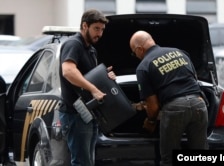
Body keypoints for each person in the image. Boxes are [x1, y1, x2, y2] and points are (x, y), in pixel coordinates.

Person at [129, 30, 208, 166]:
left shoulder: (143, 66)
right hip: (199, 104)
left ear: (139, 49)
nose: (135, 56)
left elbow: (153, 107)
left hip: (175, 108)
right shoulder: (179, 52)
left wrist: (150, 122)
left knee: (169, 159)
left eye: (134, 53)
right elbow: (194, 79)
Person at [59, 9, 116, 166]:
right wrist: (93, 90)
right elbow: (69, 71)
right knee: (81, 162)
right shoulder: (73, 44)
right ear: (85, 25)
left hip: (88, 114)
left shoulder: (91, 49)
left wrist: (106, 77)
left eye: (102, 30)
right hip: (74, 114)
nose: (100, 33)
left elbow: (89, 76)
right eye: (96, 28)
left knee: (88, 161)